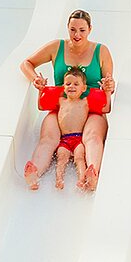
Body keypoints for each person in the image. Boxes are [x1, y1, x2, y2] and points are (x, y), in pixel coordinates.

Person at [20, 10, 116, 190]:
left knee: (93, 137)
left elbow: (109, 83)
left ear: (90, 29)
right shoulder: (56, 47)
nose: (77, 35)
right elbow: (26, 63)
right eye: (73, 30)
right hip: (61, 107)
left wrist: (109, 85)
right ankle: (35, 171)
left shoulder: (101, 51)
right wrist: (35, 79)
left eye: (82, 30)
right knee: (48, 138)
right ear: (67, 29)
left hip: (90, 109)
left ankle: (92, 172)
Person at [53, 68, 109, 190]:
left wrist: (106, 92)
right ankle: (59, 179)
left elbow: (105, 108)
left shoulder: (85, 102)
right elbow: (41, 105)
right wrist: (40, 90)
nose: (71, 86)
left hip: (79, 139)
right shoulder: (61, 101)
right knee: (61, 158)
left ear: (83, 88)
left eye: (76, 84)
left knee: (79, 158)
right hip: (64, 140)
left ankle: (82, 179)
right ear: (63, 87)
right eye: (68, 84)